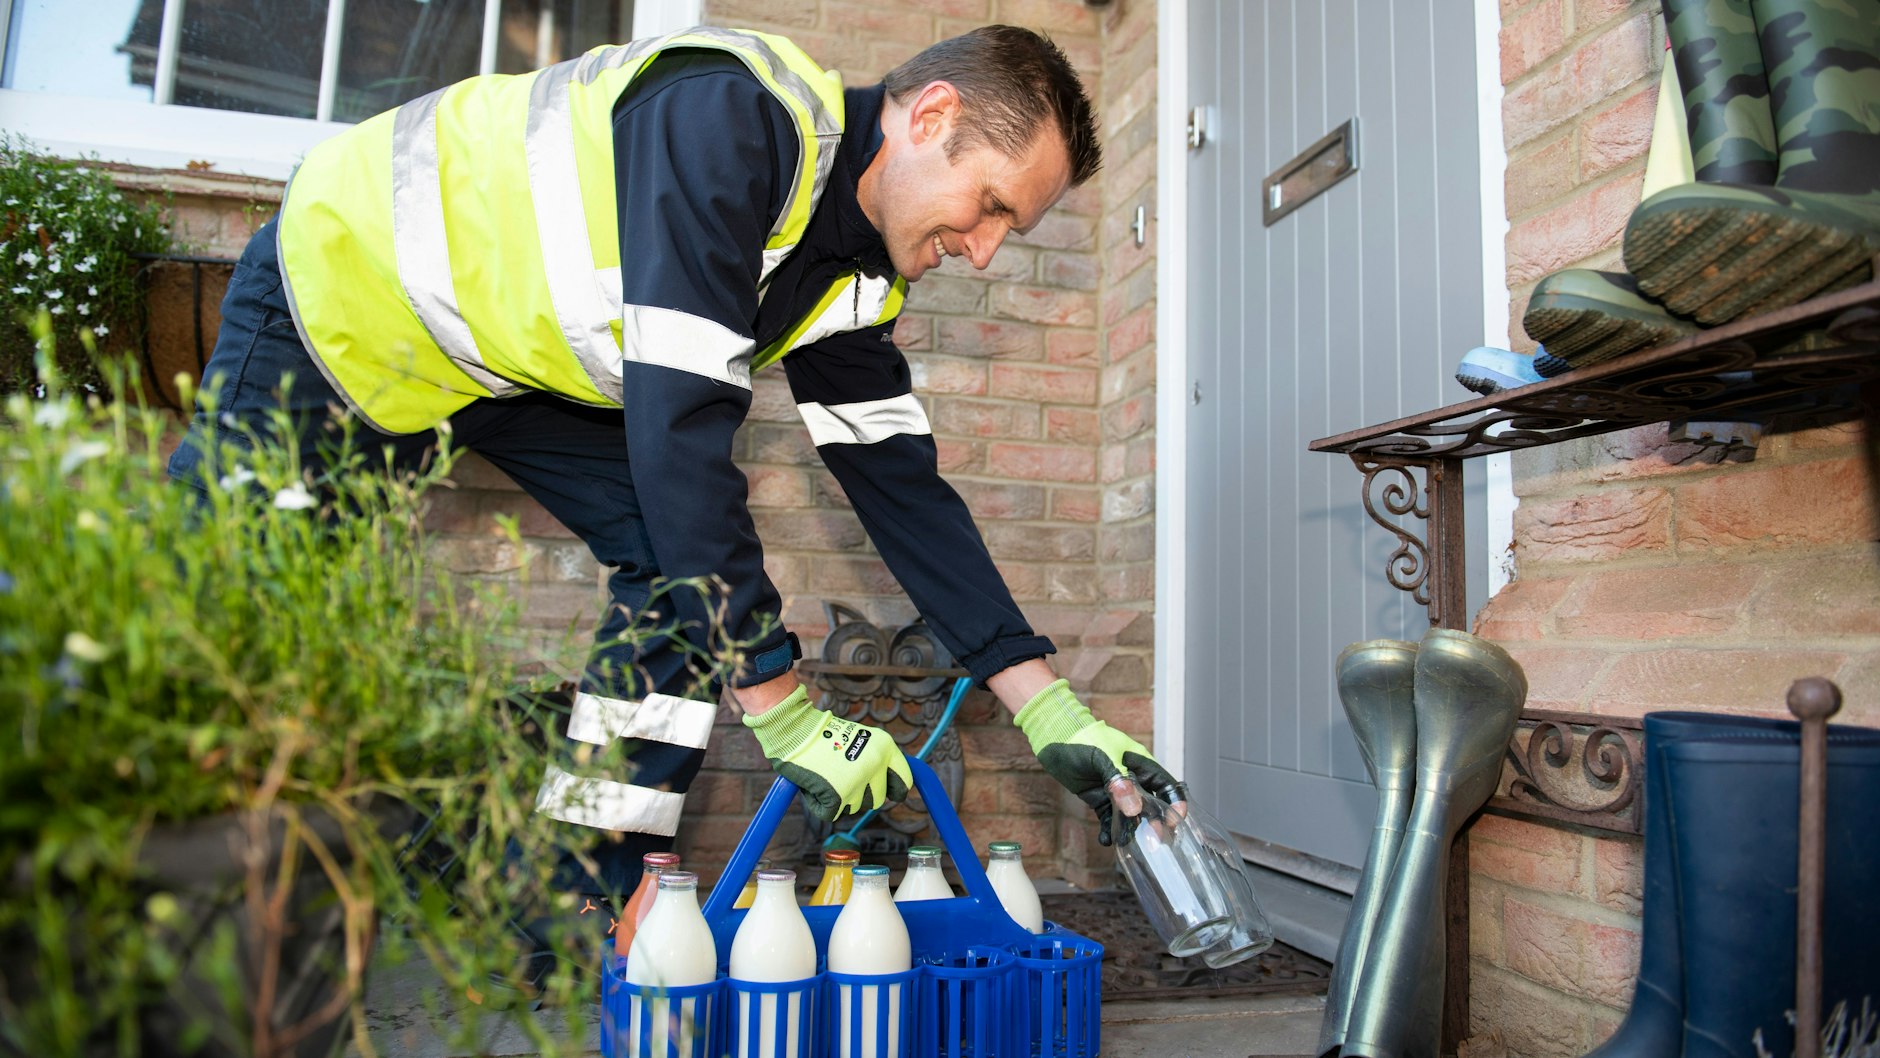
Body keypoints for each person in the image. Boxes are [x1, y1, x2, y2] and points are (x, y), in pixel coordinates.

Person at [167, 22, 1179, 978]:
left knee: (676, 578)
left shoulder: (852, 282)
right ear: (927, 118)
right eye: (992, 204)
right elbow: (681, 434)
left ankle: (568, 914)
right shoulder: (732, 121)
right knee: (216, 619)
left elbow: (902, 490)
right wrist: (779, 705)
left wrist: (1044, 701)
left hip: (501, 369)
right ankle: (130, 918)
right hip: (350, 294)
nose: (987, 247)